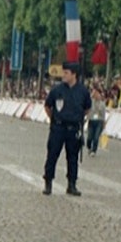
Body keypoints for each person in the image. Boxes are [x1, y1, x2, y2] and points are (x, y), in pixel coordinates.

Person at [42, 62, 92, 196]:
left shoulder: (83, 91)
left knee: (72, 158)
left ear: (74, 74)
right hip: (58, 127)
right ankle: (48, 182)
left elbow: (87, 109)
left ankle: (72, 184)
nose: (63, 75)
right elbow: (47, 106)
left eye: (66, 73)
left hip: (73, 128)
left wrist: (77, 119)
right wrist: (55, 119)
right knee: (52, 155)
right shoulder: (57, 90)